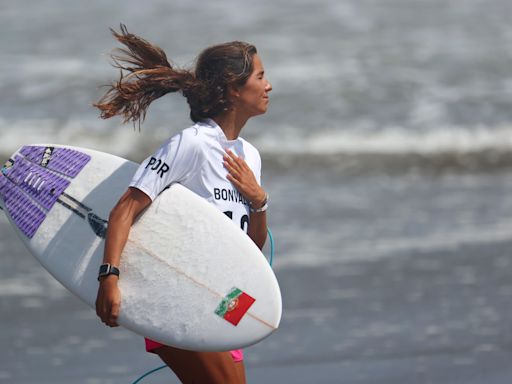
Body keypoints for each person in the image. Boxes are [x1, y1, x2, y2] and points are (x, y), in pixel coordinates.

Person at [94, 25, 272, 384]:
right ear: (234, 89)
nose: (268, 86)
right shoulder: (191, 144)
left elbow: (249, 249)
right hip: (178, 295)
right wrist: (109, 276)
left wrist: (259, 202)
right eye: (261, 76)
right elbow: (125, 209)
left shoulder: (249, 157)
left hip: (223, 299)